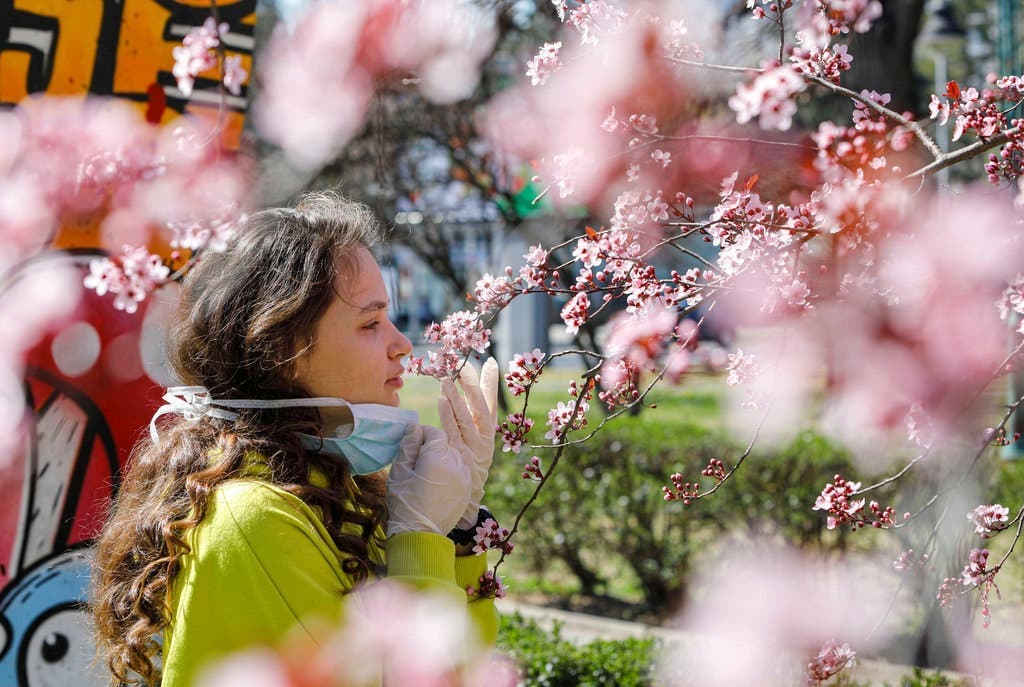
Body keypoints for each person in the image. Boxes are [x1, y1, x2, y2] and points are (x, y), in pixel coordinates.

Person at [91, 192, 500, 686]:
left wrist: (457, 531)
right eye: (370, 323)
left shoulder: (320, 484)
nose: (402, 344)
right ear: (286, 351)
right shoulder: (254, 517)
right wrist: (419, 539)